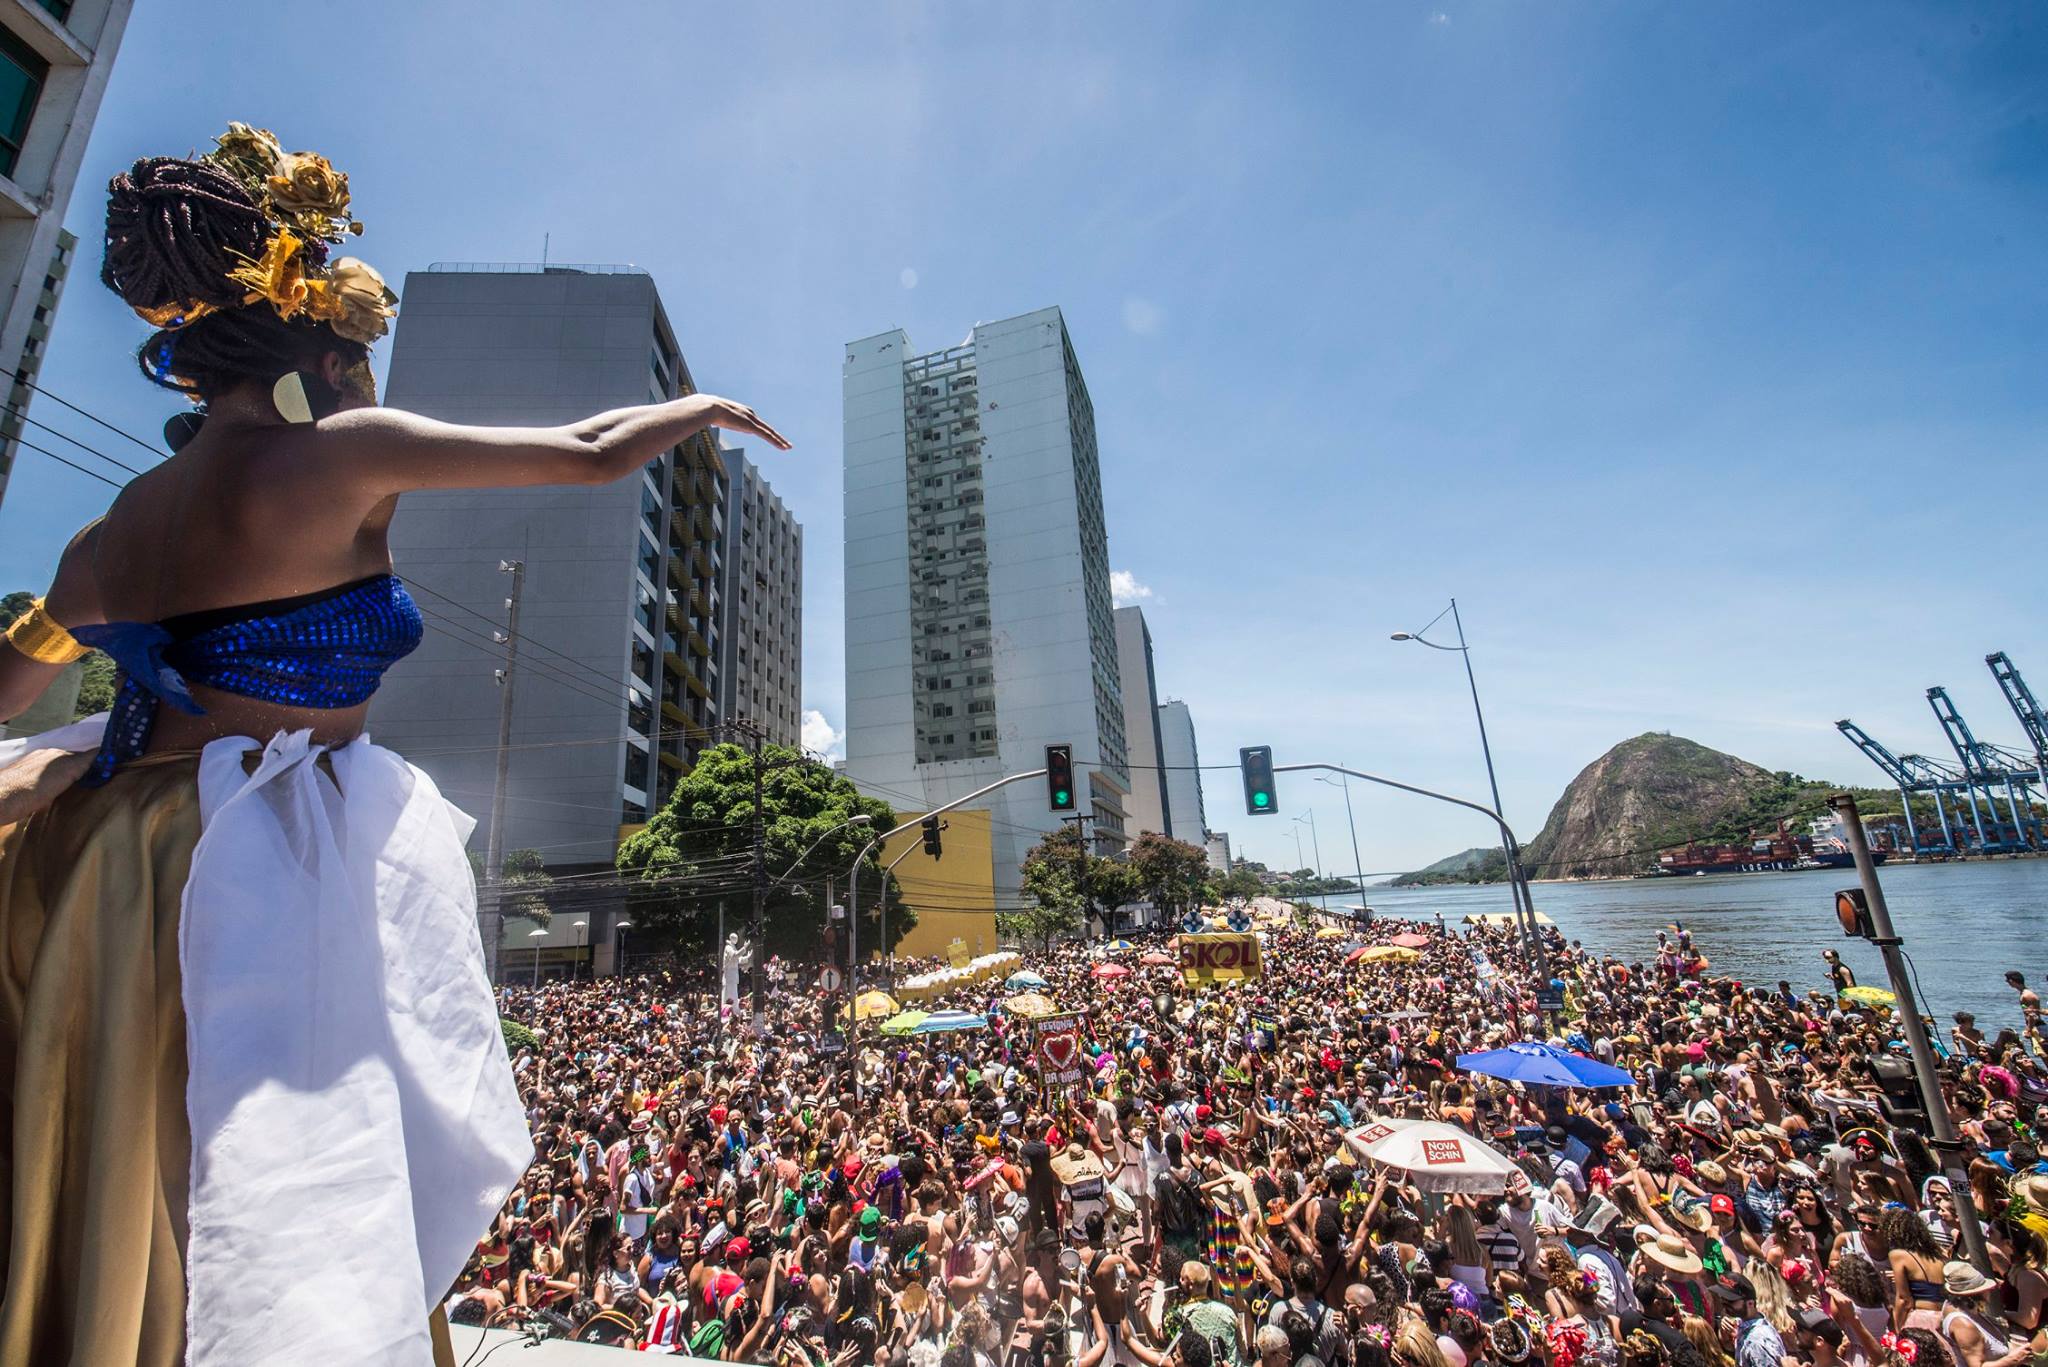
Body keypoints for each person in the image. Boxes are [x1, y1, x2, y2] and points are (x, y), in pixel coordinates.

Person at [0, 122, 788, 1365]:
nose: (365, 376)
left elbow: (4, 688)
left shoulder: (106, 532)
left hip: (96, 854)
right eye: (356, 356)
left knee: (118, 1165)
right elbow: (587, 454)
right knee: (287, 1193)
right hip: (242, 861)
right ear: (316, 349)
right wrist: (694, 404)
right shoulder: (336, 453)